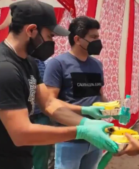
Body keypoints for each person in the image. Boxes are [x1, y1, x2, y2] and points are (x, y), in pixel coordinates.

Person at [0, 1, 118, 169]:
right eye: (50, 35)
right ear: (31, 30)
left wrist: (86, 122)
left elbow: (49, 103)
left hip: (21, 159)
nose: (52, 42)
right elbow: (21, 133)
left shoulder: (29, 62)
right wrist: (80, 131)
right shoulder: (2, 68)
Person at [44, 16, 107, 169]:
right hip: (69, 139)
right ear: (78, 39)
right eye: (93, 37)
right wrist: (84, 111)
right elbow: (49, 102)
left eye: (98, 37)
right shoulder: (57, 64)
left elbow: (100, 95)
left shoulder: (97, 64)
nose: (97, 41)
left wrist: (113, 110)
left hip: (95, 139)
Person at [31, 59, 52, 169]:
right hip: (19, 115)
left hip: (41, 114)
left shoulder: (46, 64)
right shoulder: (14, 64)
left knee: (41, 152)